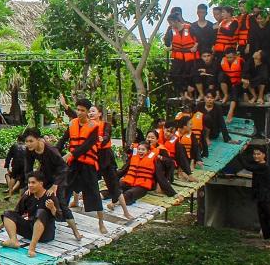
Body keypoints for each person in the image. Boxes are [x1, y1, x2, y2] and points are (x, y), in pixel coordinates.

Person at [56, 99, 107, 235]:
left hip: (87, 165)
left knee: (94, 193)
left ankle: (101, 222)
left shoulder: (94, 126)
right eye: (77, 109)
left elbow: (86, 146)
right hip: (73, 164)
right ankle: (62, 216)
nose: (79, 112)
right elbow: (63, 140)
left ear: (88, 112)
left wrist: (69, 154)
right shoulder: (72, 123)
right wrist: (54, 153)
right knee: (64, 189)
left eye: (82, 110)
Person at [23, 127, 80, 241]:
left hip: (59, 177)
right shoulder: (29, 150)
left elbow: (63, 168)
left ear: (38, 139)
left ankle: (76, 232)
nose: (28, 144)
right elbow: (28, 169)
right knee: (27, 195)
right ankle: (33, 224)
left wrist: (55, 185)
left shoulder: (51, 150)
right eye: (26, 141)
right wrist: (29, 184)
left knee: (61, 204)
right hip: (44, 175)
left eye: (31, 141)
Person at [107, 141, 169, 219]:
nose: (140, 151)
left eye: (143, 150)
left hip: (142, 186)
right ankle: (100, 196)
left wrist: (172, 192)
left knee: (130, 193)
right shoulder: (134, 157)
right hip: (130, 182)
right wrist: (112, 178)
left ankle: (114, 204)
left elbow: (161, 177)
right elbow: (124, 170)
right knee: (116, 187)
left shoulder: (154, 160)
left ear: (148, 151)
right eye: (139, 149)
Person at [1, 173, 58, 256]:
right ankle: (13, 240)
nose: (30, 185)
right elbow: (16, 213)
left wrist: (52, 208)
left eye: (33, 183)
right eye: (29, 183)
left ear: (41, 184)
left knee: (41, 212)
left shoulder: (50, 196)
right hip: (30, 230)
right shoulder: (27, 195)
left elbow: (59, 216)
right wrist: (1, 225)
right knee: (7, 213)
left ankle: (32, 247)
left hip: (45, 234)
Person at [165, 14, 199, 97]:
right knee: (173, 74)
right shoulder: (171, 31)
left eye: (171, 22)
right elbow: (168, 42)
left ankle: (189, 91)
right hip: (178, 56)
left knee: (189, 74)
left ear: (176, 21)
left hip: (190, 56)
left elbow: (198, 39)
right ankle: (182, 93)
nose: (170, 24)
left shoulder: (189, 28)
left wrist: (195, 47)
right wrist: (169, 47)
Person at [219, 49, 243, 121]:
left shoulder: (241, 62)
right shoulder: (223, 62)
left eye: (231, 57)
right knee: (221, 75)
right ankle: (226, 95)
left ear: (235, 56)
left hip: (239, 84)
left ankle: (230, 112)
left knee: (235, 90)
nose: (229, 59)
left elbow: (246, 73)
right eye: (227, 57)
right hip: (228, 85)